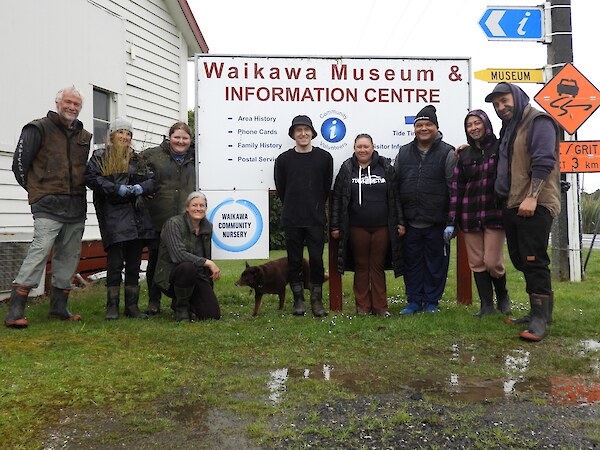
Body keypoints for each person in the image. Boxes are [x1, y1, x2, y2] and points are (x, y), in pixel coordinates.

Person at [5, 86, 92, 329]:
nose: (72, 107)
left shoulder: (84, 136)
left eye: (76, 104)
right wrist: (38, 192)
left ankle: (59, 307)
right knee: (39, 252)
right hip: (47, 205)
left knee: (69, 255)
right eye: (68, 102)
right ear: (57, 103)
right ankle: (15, 311)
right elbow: (19, 166)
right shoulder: (37, 128)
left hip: (76, 205)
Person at [484, 82, 561, 342]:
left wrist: (532, 196)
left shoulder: (538, 121)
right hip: (512, 203)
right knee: (520, 259)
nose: (500, 107)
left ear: (517, 97)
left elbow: (543, 160)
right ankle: (537, 312)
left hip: (533, 203)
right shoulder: (510, 128)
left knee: (533, 259)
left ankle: (540, 320)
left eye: (504, 101)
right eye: (496, 104)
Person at [85, 117, 158, 320]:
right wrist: (116, 188)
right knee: (115, 263)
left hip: (137, 217)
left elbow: (152, 180)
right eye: (121, 132)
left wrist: (142, 187)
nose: (125, 137)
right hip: (114, 217)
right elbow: (91, 178)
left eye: (128, 134)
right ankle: (112, 306)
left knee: (134, 263)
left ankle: (132, 307)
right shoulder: (100, 156)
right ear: (112, 135)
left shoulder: (137, 159)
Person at [330, 134, 404, 316]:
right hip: (356, 227)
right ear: (354, 148)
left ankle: (380, 307)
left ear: (373, 147)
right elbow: (338, 199)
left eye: (366, 146)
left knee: (377, 266)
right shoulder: (347, 169)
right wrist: (335, 226)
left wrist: (400, 222)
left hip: (382, 227)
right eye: (359, 147)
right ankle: (362, 307)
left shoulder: (386, 167)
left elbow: (395, 197)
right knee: (361, 266)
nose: (363, 150)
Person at [446, 110, 510, 317]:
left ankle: (503, 297)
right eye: (469, 125)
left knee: (493, 261)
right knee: (476, 262)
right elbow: (457, 189)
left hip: (495, 213)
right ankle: (486, 305)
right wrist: (452, 221)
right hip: (469, 215)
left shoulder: (501, 148)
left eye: (477, 123)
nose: (473, 128)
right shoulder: (463, 155)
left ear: (485, 124)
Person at [394, 105, 456, 314]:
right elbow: (395, 188)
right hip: (410, 221)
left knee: (436, 264)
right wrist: (400, 219)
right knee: (412, 263)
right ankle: (413, 300)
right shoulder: (403, 152)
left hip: (437, 222)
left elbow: (453, 189)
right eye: (419, 125)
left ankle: (431, 302)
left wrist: (451, 222)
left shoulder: (448, 152)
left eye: (428, 124)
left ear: (436, 127)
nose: (423, 128)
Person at [274, 115, 333, 317]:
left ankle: (317, 301)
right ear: (293, 134)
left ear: (313, 133)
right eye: (298, 130)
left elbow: (325, 188)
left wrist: (314, 205)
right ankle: (298, 300)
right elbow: (281, 189)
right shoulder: (283, 160)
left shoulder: (325, 158)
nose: (303, 133)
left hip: (315, 218)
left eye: (306, 130)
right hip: (292, 218)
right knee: (294, 260)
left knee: (316, 259)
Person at [140, 122, 196, 315]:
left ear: (190, 140)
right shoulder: (152, 156)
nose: (180, 141)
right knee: (155, 260)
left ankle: (180, 301)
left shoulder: (197, 159)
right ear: (169, 137)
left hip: (186, 220)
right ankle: (154, 301)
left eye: (185, 138)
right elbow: (138, 179)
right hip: (158, 217)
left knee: (183, 261)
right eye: (176, 137)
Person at [153, 191, 221, 322]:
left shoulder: (207, 227)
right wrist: (209, 263)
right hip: (171, 277)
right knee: (188, 267)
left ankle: (190, 302)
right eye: (194, 205)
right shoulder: (173, 224)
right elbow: (178, 256)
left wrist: (208, 289)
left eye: (202, 205)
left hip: (197, 277)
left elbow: (205, 255)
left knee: (212, 315)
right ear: (187, 208)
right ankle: (181, 307)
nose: (198, 208)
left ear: (206, 209)